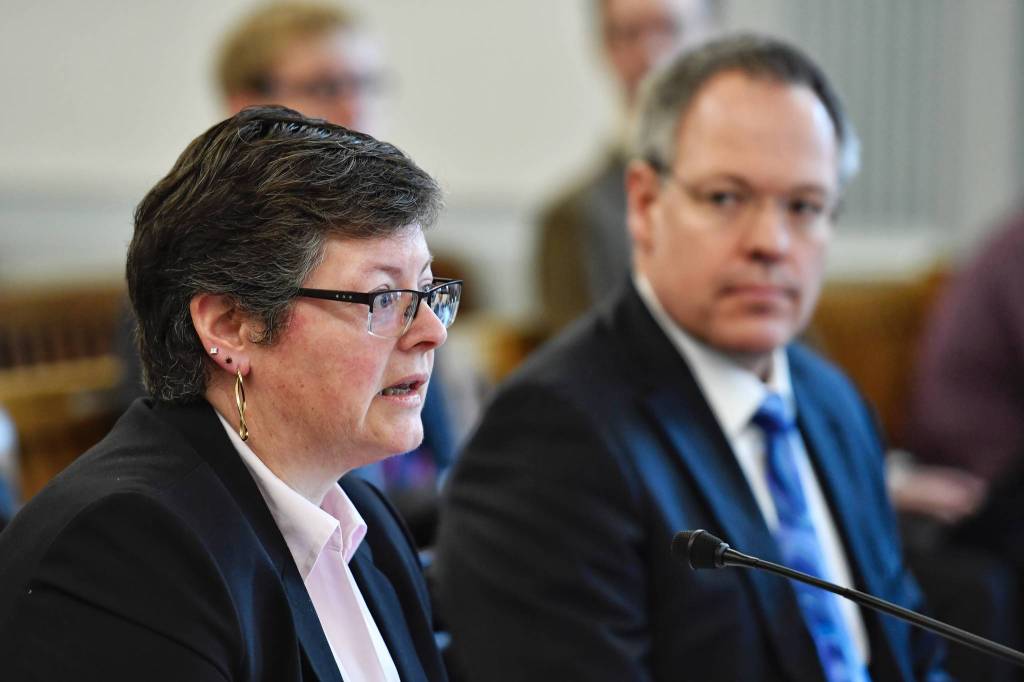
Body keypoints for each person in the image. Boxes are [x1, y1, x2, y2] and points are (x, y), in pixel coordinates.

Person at [437, 35, 948, 681]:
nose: (771, 242)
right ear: (646, 204)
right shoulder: (551, 434)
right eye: (727, 198)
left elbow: (914, 655)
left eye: (805, 207)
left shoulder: (835, 404)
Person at [0, 106, 459, 681]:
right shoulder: (126, 553)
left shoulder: (364, 522)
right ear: (229, 325)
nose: (432, 331)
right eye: (383, 298)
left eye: (427, 291)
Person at [536, 0, 717, 333]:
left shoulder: (766, 199)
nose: (650, 56)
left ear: (711, 36)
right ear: (604, 48)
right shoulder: (574, 220)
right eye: (628, 34)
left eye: (669, 28)